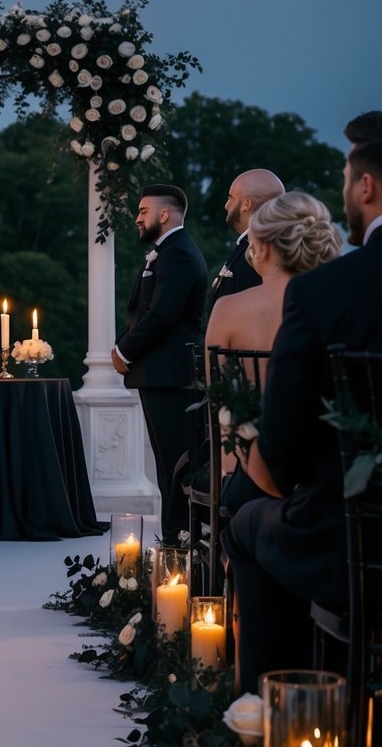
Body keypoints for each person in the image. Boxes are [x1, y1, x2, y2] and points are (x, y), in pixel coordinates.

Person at [224, 135, 382, 694]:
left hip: (357, 538)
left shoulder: (329, 293)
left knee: (248, 523)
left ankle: (273, 711)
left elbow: (273, 466)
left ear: (366, 186)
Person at [204, 191, 342, 509]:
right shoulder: (334, 306)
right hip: (328, 473)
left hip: (252, 471)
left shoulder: (228, 309)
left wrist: (228, 477)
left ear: (261, 245)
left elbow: (221, 409)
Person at [112, 183, 208, 543]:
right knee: (167, 466)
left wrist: (123, 351)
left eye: (142, 211)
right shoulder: (166, 252)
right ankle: (175, 540)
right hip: (159, 376)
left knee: (176, 467)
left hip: (171, 377)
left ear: (164, 214)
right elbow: (142, 313)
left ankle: (180, 541)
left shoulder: (179, 253)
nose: (137, 218)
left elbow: (161, 315)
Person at [208, 169, 285, 309]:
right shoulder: (247, 246)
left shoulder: (260, 254)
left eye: (231, 198)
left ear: (246, 204)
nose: (226, 205)